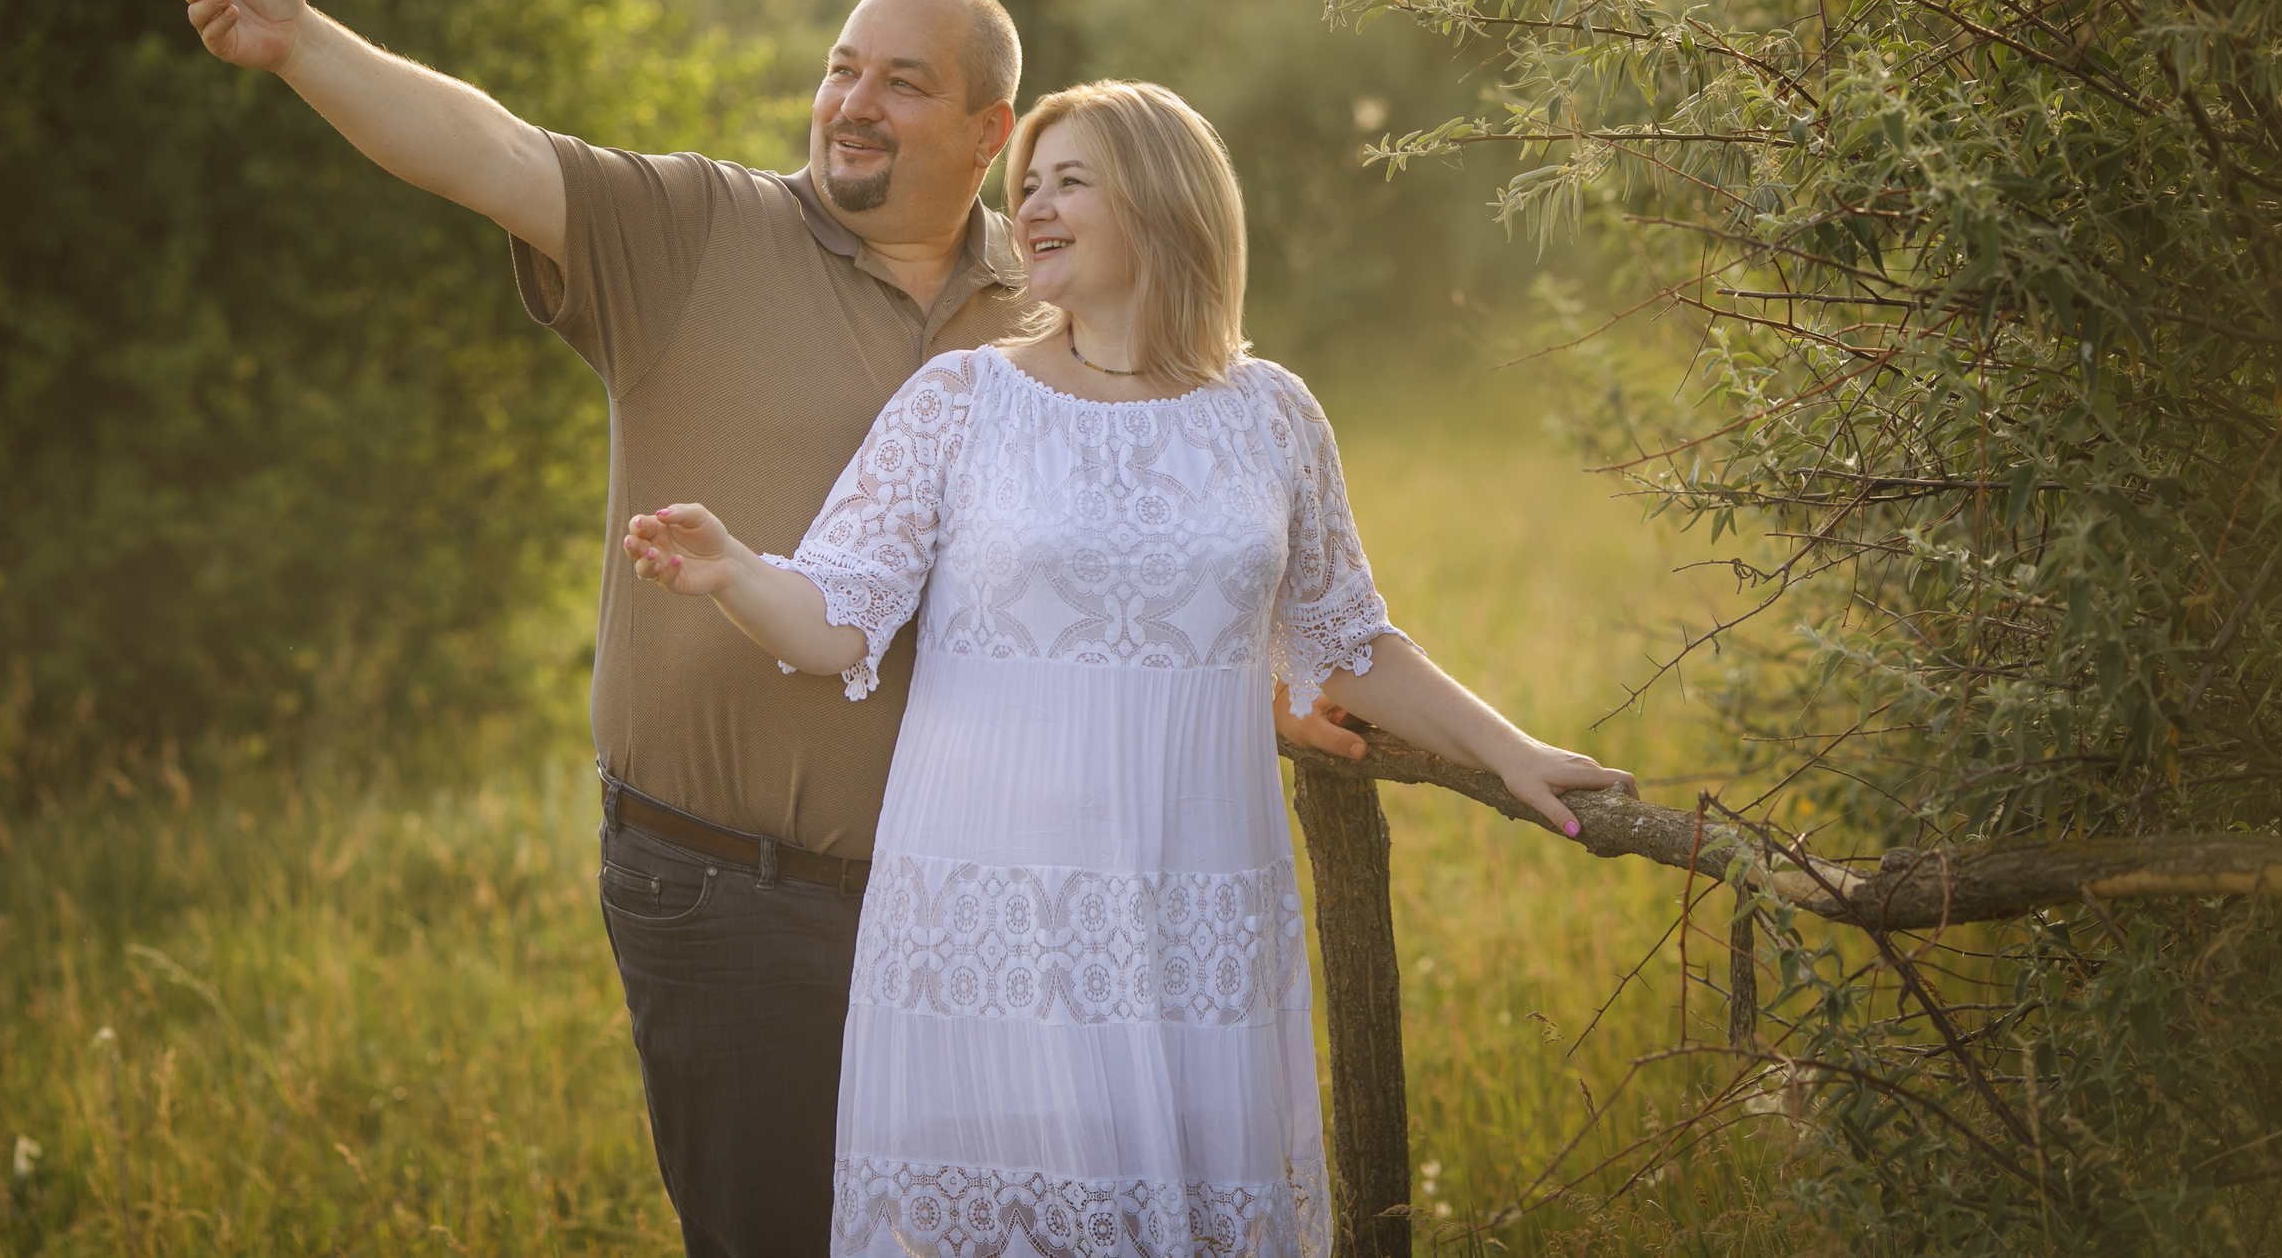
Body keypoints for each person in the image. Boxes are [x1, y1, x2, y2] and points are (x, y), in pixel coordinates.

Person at [140, 0, 1440, 1255]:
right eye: (840, 66)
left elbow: (1136, 550)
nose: (852, 103)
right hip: (731, 890)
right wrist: (304, 46)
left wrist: (1244, 683)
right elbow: (495, 151)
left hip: (993, 914)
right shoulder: (695, 228)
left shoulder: (1053, 302)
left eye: (900, 80)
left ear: (991, 131)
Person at [623, 80, 1638, 1257]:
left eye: (1070, 182)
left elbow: (1347, 641)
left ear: (1161, 200)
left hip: (1192, 911)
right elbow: (837, 620)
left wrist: (1515, 755)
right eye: (1027, 187)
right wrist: (735, 571)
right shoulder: (959, 402)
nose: (1033, 209)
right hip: (993, 919)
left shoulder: (1272, 416)